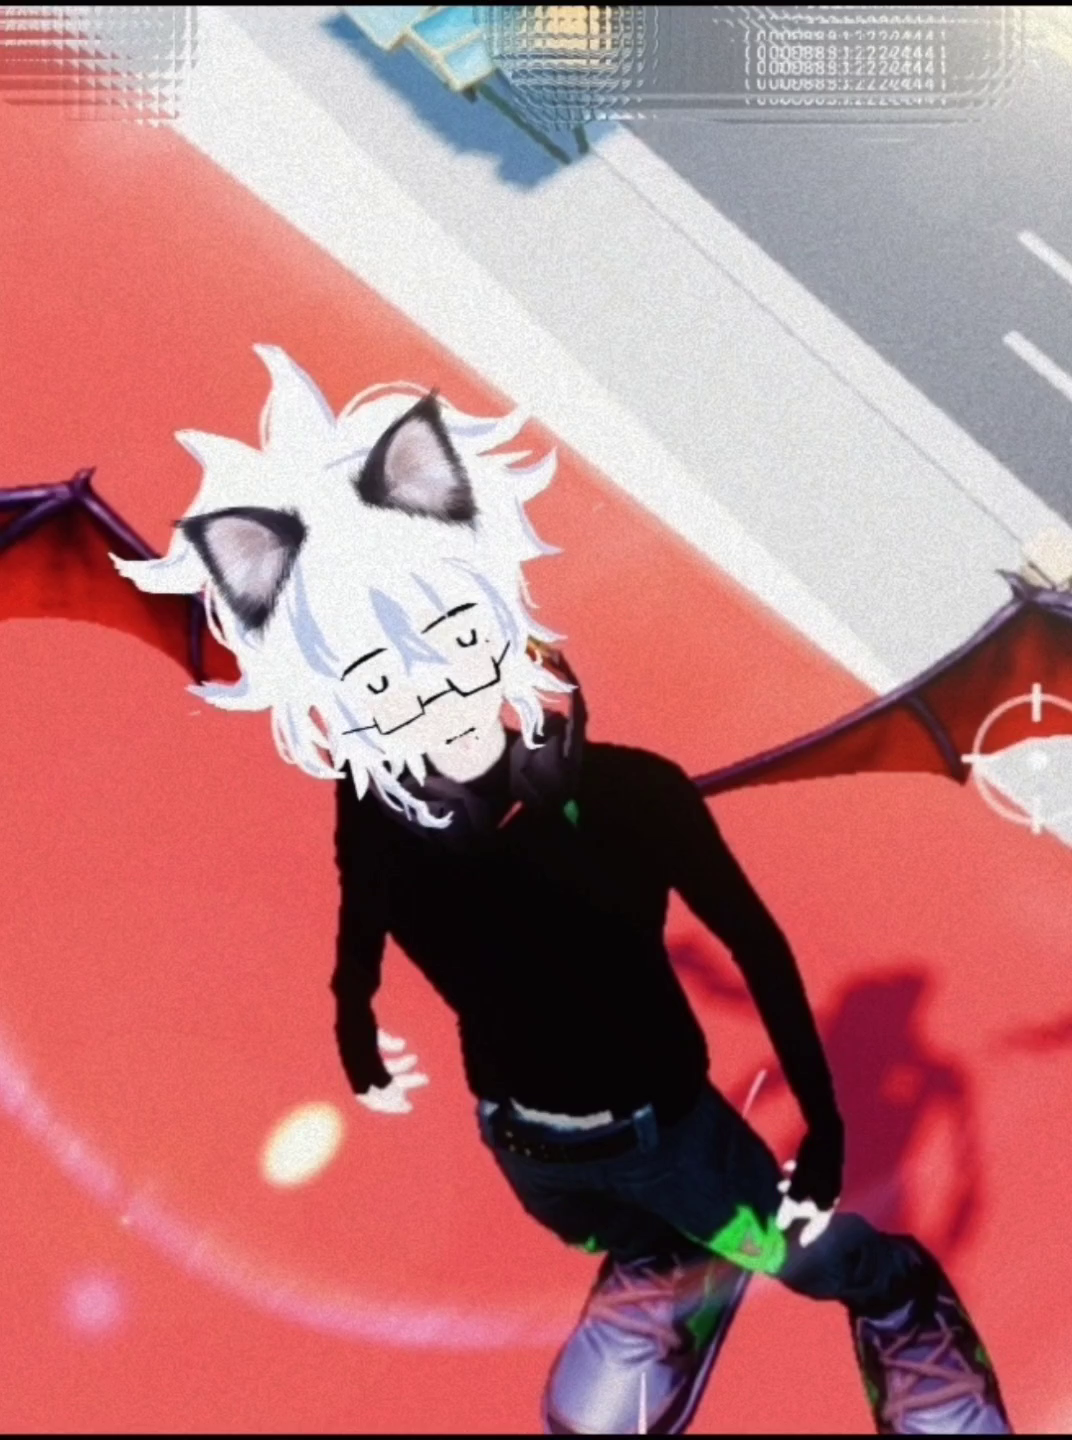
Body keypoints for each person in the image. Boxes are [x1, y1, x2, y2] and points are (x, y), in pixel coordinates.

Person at [116, 346, 1012, 1436]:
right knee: (602, 1229)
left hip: (666, 1134)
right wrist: (355, 1024)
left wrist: (823, 1127)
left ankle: (896, 1302)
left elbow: (756, 943)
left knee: (790, 1248)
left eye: (456, 639)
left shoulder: (630, 794)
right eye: (379, 681)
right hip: (518, 1133)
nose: (432, 694)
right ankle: (663, 1269)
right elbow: (363, 914)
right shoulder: (371, 810)